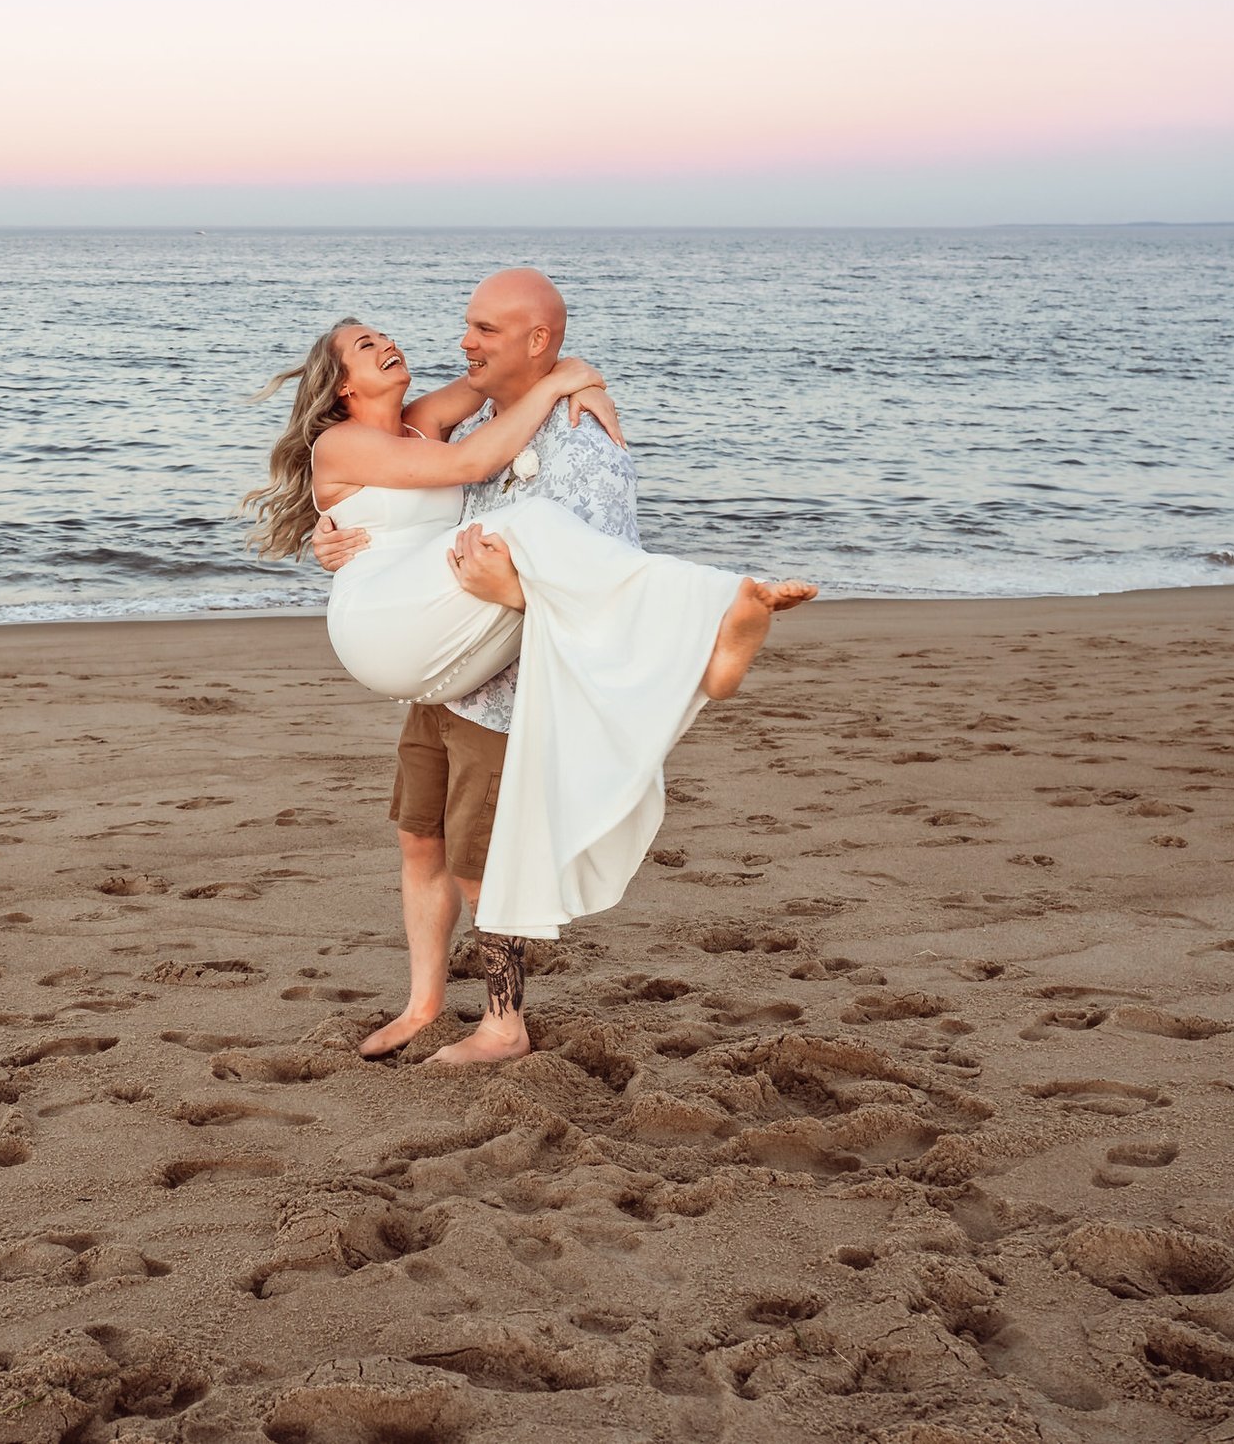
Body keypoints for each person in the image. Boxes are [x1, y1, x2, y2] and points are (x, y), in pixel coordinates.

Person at [245, 269, 814, 1063]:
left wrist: (580, 378)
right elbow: (476, 463)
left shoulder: (426, 420)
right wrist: (569, 380)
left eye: (480, 328)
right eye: (366, 345)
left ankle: (489, 1020)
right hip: (393, 621)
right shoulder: (345, 439)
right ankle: (704, 626)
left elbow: (488, 420)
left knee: (453, 849)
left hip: (444, 645)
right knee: (427, 832)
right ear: (339, 387)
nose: (411, 342)